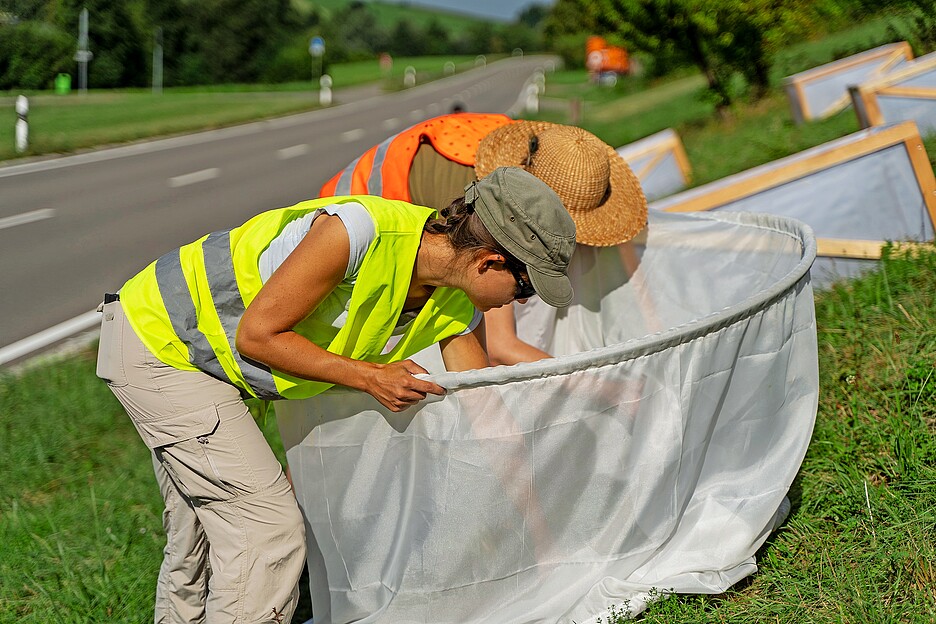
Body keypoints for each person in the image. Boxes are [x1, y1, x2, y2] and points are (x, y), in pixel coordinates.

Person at [94, 167, 576, 623]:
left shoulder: (453, 297)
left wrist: (542, 539)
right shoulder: (357, 233)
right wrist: (370, 377)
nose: (521, 303)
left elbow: (484, 416)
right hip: (161, 342)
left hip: (212, 361)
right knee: (267, 531)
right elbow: (257, 336)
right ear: (490, 261)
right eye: (524, 290)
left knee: (199, 534)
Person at [320, 113, 648, 365]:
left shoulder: (540, 157)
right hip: (342, 234)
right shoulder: (480, 211)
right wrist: (597, 384)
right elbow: (501, 346)